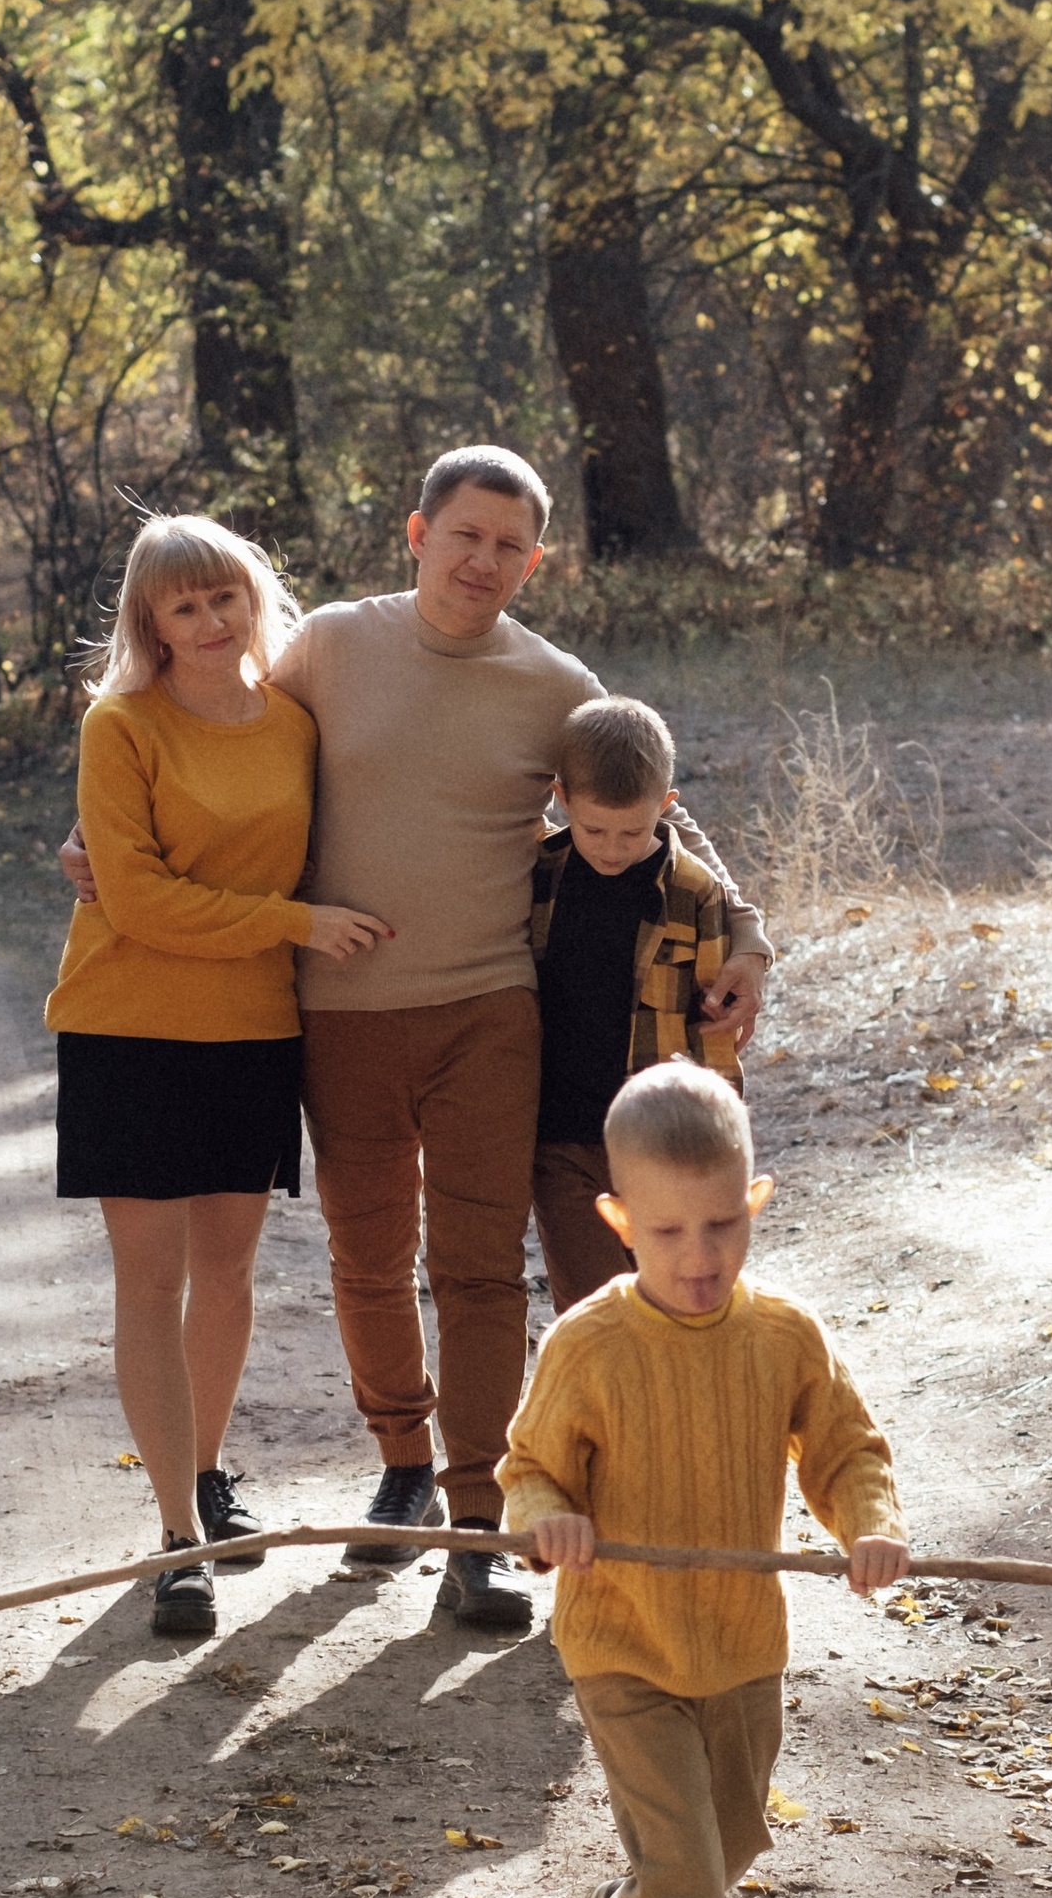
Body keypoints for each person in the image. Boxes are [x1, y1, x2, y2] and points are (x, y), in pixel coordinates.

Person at [59, 444, 770, 1636]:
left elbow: (658, 814)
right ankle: (400, 1451)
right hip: (334, 1015)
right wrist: (94, 845)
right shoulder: (330, 645)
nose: (483, 561)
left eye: (509, 546)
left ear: (533, 561)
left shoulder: (553, 684)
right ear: (418, 535)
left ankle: (476, 1520)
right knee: (368, 1251)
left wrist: (744, 933)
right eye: (465, 536)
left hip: (492, 1010)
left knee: (480, 1265)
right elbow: (205, 723)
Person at [501, 1061, 906, 1898]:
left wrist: (865, 1523)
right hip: (622, 1645)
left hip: (738, 1648)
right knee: (686, 1871)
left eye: (723, 1224)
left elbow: (844, 1449)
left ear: (753, 1204)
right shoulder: (586, 1346)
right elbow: (528, 1471)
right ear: (619, 1220)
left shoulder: (782, 1335)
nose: (699, 1256)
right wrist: (550, 1522)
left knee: (723, 1853)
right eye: (669, 1230)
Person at [47, 514, 388, 1644]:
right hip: (127, 1026)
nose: (207, 622)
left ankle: (204, 1474)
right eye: (182, 607)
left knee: (228, 1273)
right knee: (150, 1283)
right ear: (150, 623)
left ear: (254, 600)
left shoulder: (295, 723)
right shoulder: (120, 724)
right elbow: (135, 899)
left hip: (252, 1029)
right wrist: (294, 921)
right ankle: (176, 1541)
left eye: (224, 599)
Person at [529, 693, 743, 1316]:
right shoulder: (539, 878)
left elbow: (714, 1029)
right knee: (597, 1310)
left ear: (667, 809)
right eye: (594, 829)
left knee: (678, 1300)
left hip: (660, 1140)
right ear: (561, 799)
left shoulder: (694, 892)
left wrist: (718, 1130)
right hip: (561, 1137)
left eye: (634, 831)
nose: (613, 848)